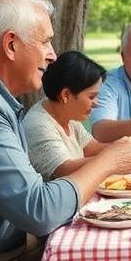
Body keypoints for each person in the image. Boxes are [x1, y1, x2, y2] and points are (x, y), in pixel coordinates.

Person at [0, 0, 131, 261]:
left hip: (14, 245)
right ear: (11, 44)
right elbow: (40, 211)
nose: (53, 55)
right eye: (46, 41)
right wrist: (111, 160)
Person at [24, 51, 114, 181]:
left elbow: (91, 148)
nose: (97, 104)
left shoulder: (66, 114)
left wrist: (125, 146)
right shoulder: (38, 125)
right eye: (92, 97)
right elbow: (65, 170)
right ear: (66, 95)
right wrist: (114, 158)